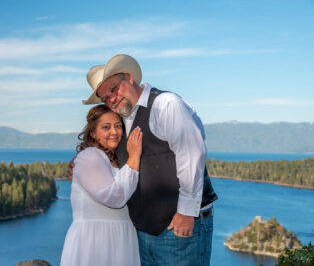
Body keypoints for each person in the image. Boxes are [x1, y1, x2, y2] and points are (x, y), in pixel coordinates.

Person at [70, 54, 218, 265]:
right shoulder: (120, 120)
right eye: (105, 98)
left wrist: (186, 212)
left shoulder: (165, 104)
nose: (111, 99)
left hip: (178, 230)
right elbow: (113, 162)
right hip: (143, 234)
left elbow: (192, 154)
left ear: (129, 78)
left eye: (114, 89)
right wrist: (80, 166)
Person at [61, 104, 143, 266]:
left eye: (118, 126)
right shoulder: (90, 156)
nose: (114, 132)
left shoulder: (116, 160)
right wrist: (135, 155)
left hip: (120, 239)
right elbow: (115, 197)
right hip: (95, 243)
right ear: (93, 133)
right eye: (106, 127)